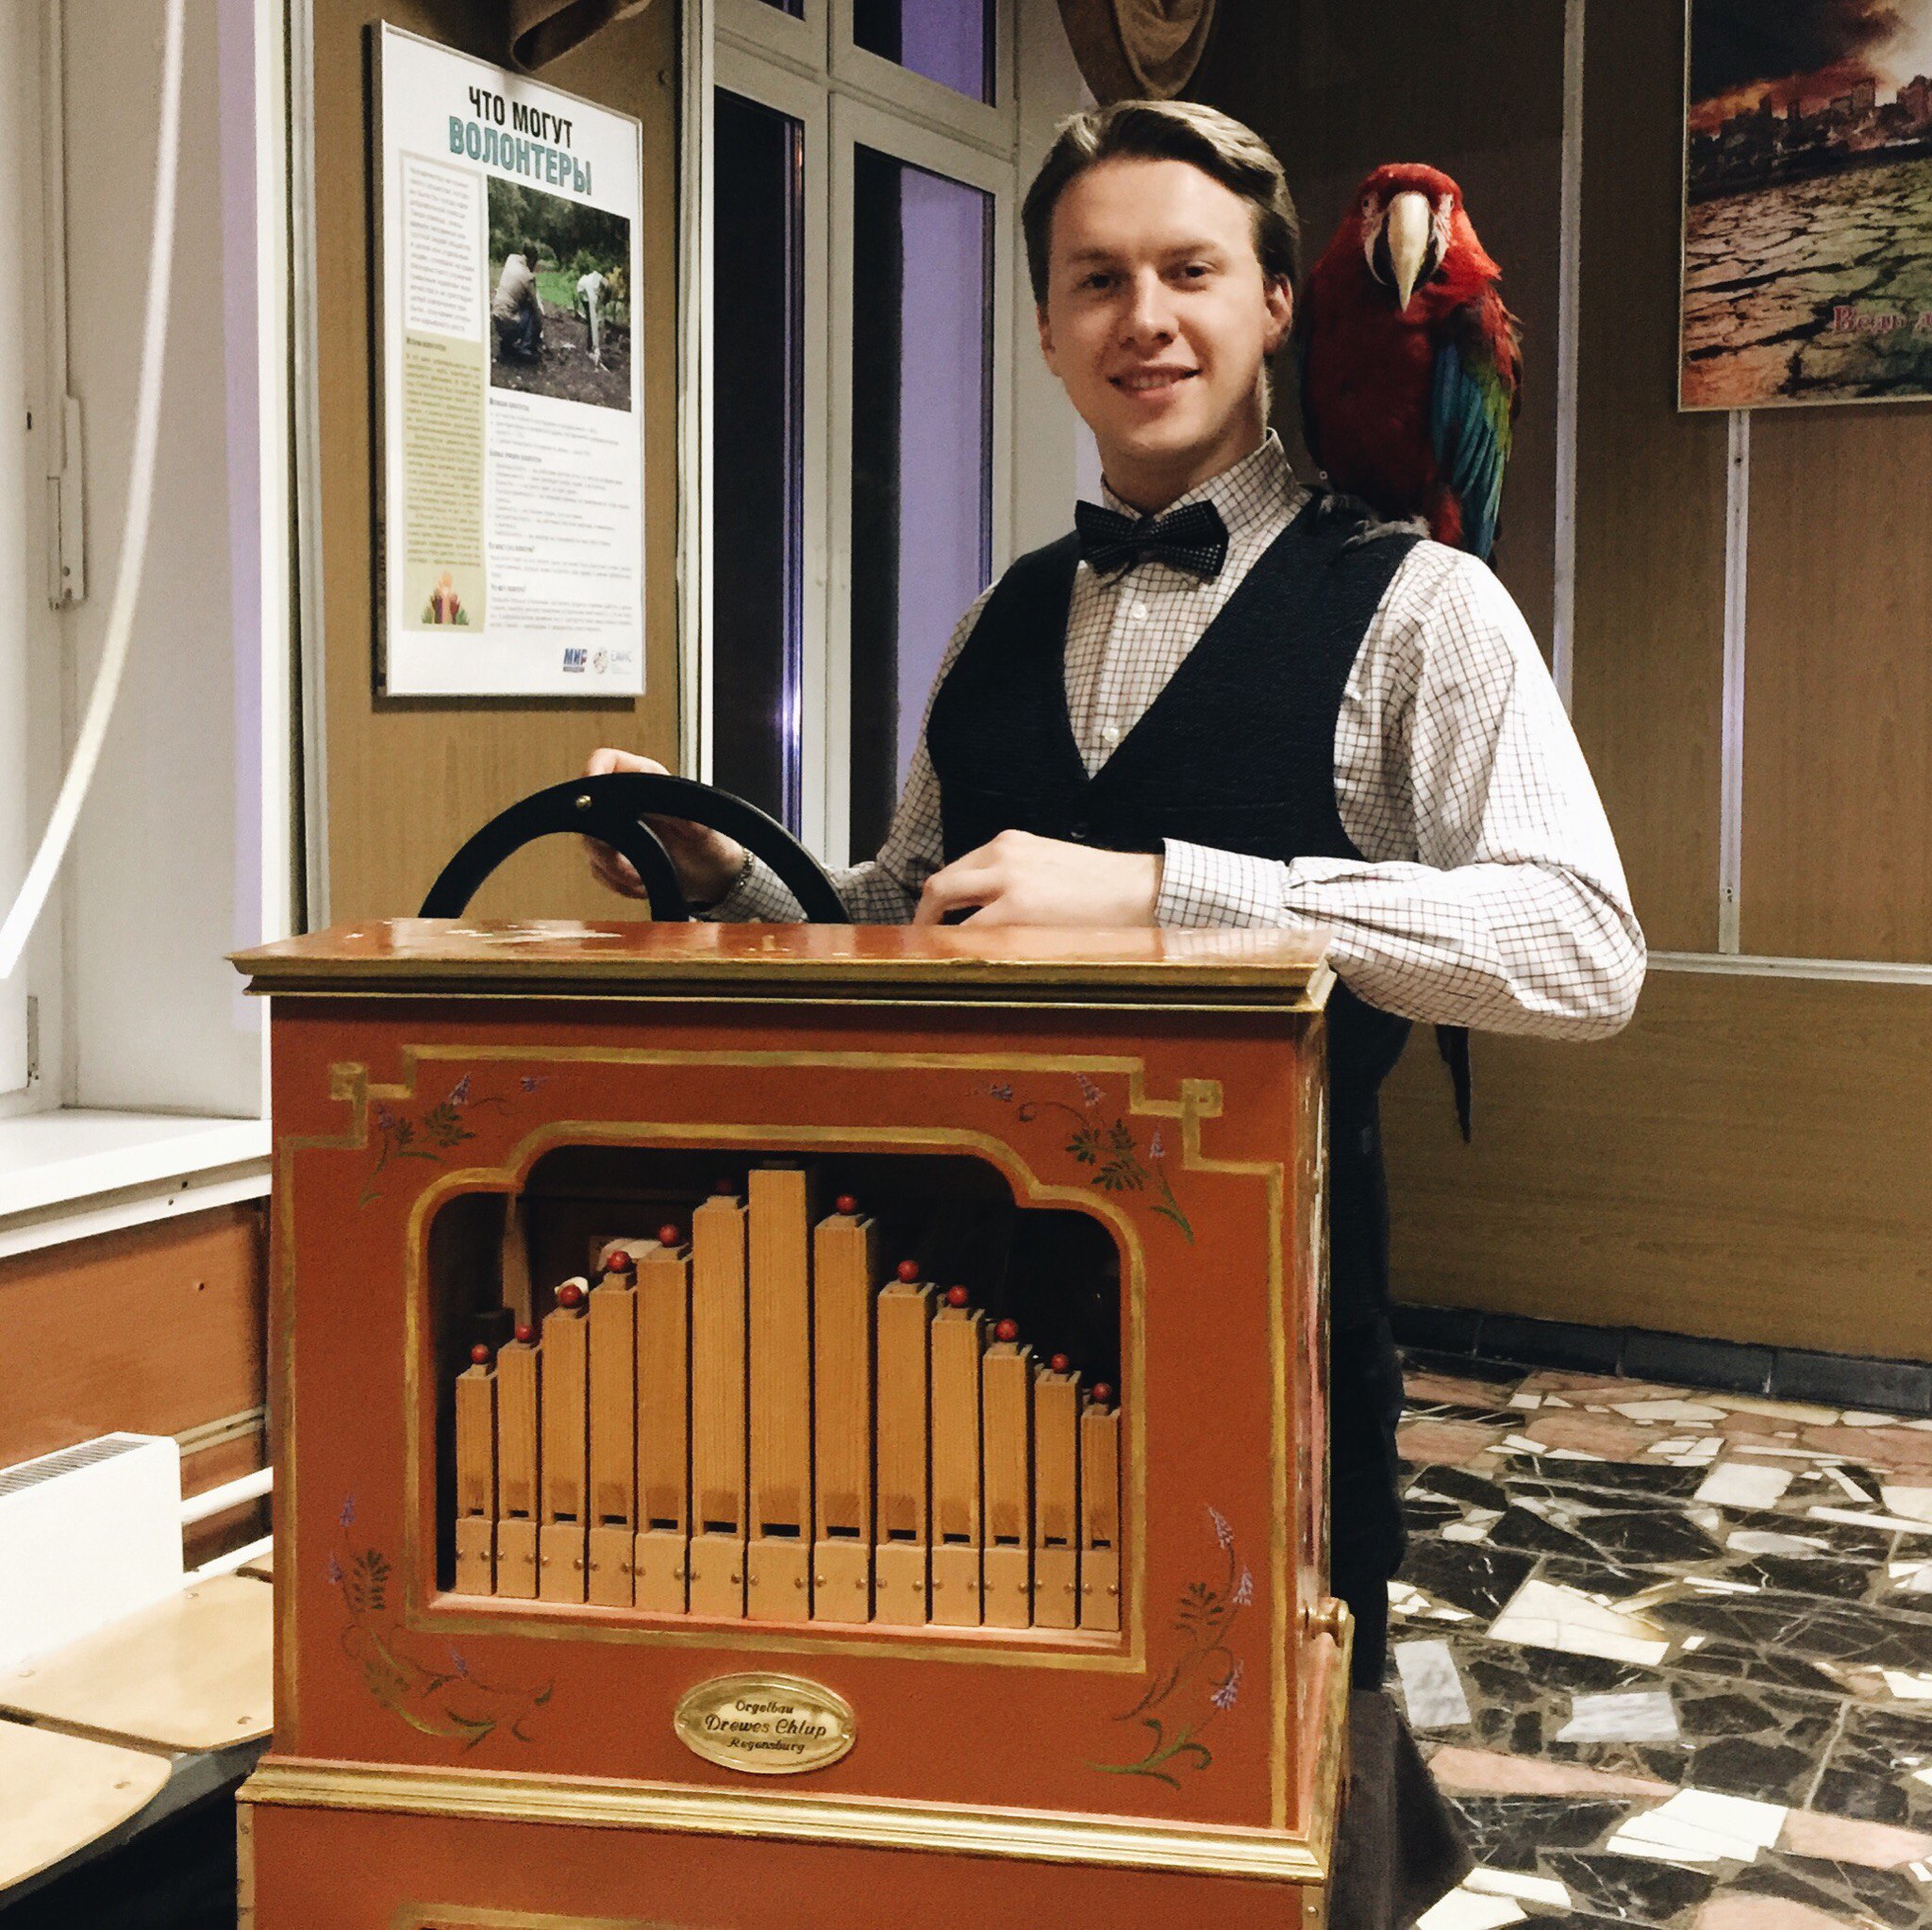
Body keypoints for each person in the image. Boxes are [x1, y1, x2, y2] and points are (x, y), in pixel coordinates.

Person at [586, 98, 1643, 1919]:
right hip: (937, 1360)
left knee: (1253, 1846)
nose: (1141, 317)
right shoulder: (994, 618)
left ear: (1272, 306)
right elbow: (898, 918)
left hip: (1261, 1371)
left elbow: (1579, 946)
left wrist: (1172, 894)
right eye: (1095, 280)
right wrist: (721, 873)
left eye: (1186, 271)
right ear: (1046, 326)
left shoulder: (1420, 606)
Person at [491, 241, 543, 361]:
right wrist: (538, 333)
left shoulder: (511, 259)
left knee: (515, 302)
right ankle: (525, 348)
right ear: (532, 260)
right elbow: (536, 309)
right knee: (531, 310)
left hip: (496, 315)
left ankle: (507, 343)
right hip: (508, 320)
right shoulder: (528, 277)